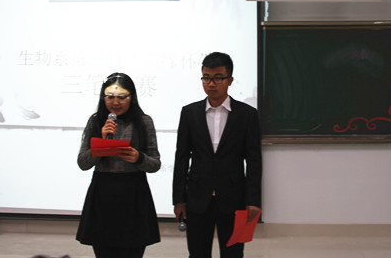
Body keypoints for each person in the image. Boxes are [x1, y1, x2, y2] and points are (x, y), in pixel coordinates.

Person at [172, 52, 262, 258]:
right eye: (206, 78)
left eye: (218, 78)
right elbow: (181, 158)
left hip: (234, 198)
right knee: (197, 253)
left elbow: (254, 161)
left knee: (233, 253)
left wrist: (253, 200)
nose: (211, 84)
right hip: (197, 198)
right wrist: (179, 199)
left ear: (230, 80)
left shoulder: (247, 115)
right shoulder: (189, 113)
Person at [76, 72, 160, 258]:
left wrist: (139, 158)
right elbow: (83, 163)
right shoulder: (96, 121)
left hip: (134, 195)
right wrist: (101, 142)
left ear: (132, 97)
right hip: (103, 194)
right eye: (110, 97)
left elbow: (155, 164)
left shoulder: (144, 122)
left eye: (122, 97)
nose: (116, 102)